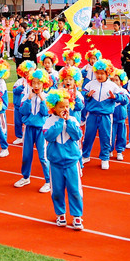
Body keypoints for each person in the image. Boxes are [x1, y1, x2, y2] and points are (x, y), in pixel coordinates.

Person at [44, 89, 84, 230]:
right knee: (57, 190)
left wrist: (68, 122)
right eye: (61, 107)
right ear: (54, 107)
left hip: (72, 161)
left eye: (67, 106)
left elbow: (77, 135)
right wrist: (60, 122)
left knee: (74, 189)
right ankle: (60, 213)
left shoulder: (72, 120)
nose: (65, 109)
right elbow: (48, 137)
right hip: (55, 162)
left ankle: (77, 215)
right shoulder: (49, 121)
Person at [16, 68, 52, 191]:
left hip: (41, 130)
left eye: (39, 83)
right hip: (29, 129)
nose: (36, 86)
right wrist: (28, 100)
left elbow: (45, 113)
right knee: (26, 154)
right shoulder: (26, 96)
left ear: (44, 84)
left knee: (43, 156)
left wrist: (42, 100)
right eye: (34, 83)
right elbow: (22, 111)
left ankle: (49, 180)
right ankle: (25, 177)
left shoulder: (47, 97)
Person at [81, 59, 118, 169]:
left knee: (106, 137)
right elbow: (83, 94)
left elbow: (124, 99)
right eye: (97, 73)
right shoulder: (90, 84)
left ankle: (105, 158)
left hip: (105, 117)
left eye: (102, 73)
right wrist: (87, 95)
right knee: (88, 136)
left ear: (107, 73)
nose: (100, 76)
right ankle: (85, 155)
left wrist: (115, 97)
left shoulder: (113, 86)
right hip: (92, 115)